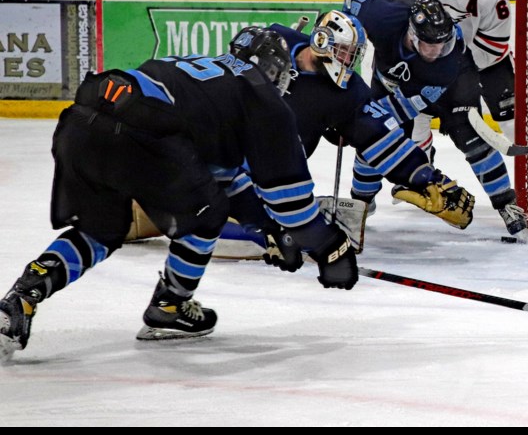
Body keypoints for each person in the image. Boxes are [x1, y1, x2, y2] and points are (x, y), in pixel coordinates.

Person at [0, 26, 358, 362]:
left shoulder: (201, 72)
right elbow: (291, 202)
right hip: (144, 130)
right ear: (272, 69)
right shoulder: (259, 95)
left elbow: (223, 179)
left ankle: (22, 297)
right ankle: (170, 306)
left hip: (84, 117)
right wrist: (329, 248)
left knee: (102, 230)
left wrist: (270, 231)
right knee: (206, 215)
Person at [222, 10, 478, 264]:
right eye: (343, 51)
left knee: (257, 223)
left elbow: (381, 135)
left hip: (265, 183)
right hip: (213, 153)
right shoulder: (272, 41)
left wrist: (426, 178)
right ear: (321, 41)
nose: (347, 60)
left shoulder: (346, 93)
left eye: (352, 54)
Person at [341, 0, 528, 236]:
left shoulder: (447, 62)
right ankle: (361, 202)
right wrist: (344, 28)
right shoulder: (383, 15)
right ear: (412, 34)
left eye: (442, 43)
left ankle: (506, 203)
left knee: (470, 137)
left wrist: (367, 121)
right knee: (373, 139)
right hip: (389, 80)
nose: (437, 50)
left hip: (454, 83)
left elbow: (410, 105)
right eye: (430, 44)